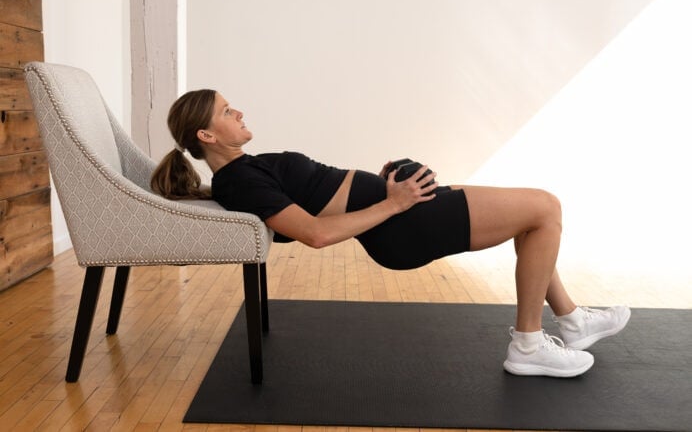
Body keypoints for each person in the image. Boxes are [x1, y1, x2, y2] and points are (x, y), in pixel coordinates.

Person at [151, 89, 631, 378]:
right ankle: (528, 345)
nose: (239, 113)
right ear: (207, 136)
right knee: (545, 208)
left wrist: (383, 183)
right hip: (403, 225)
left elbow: (326, 195)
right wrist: (392, 201)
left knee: (533, 216)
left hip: (401, 211)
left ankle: (569, 321)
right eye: (227, 110)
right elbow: (316, 234)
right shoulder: (242, 181)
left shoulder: (241, 172)